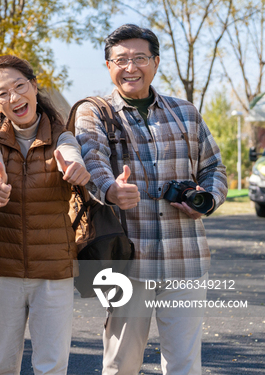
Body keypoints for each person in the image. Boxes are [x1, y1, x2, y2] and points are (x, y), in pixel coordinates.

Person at [74, 24, 228, 375]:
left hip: (185, 259)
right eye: (121, 59)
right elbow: (92, 159)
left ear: (155, 63)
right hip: (127, 263)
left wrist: (208, 196)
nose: (131, 67)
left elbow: (214, 167)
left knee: (185, 365)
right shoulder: (95, 112)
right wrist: (111, 190)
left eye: (140, 58)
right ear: (108, 66)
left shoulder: (185, 112)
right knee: (121, 364)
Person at [0, 55, 91, 375]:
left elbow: (70, 153)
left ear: (34, 86)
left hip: (54, 270)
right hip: (3, 268)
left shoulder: (62, 137)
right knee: (2, 366)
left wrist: (76, 167)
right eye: (3, 93)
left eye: (19, 86)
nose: (14, 97)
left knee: (51, 366)